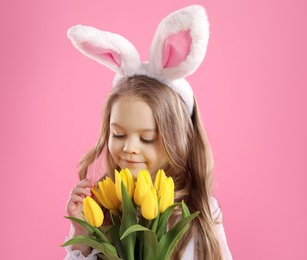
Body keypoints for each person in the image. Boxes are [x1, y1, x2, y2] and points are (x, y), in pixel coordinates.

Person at [65, 5, 232, 260]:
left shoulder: (200, 214)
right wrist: (82, 234)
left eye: (147, 138)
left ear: (178, 141)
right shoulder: (104, 206)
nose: (130, 148)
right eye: (118, 135)